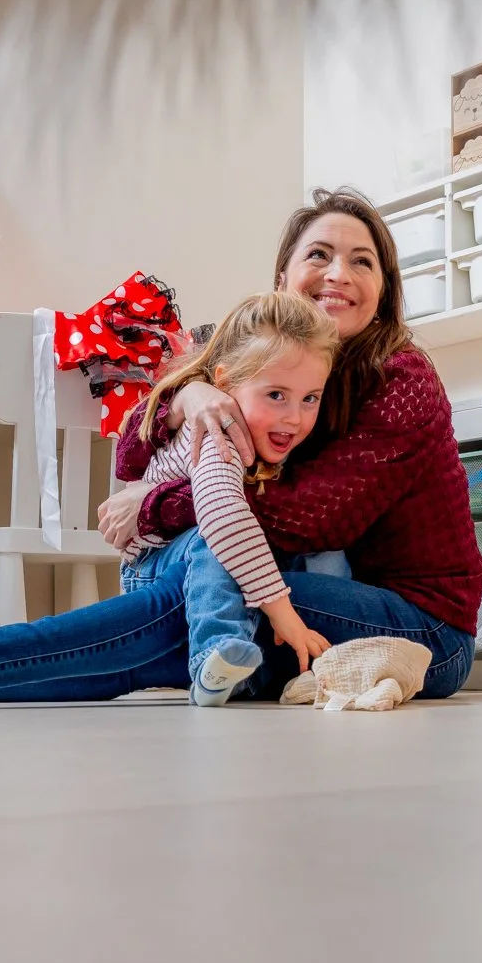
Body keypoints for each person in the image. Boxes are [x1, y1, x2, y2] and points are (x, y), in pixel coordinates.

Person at [0, 188, 482, 708]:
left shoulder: (402, 379)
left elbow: (312, 518)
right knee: (215, 594)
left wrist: (150, 510)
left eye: (362, 261)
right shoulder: (258, 355)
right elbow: (133, 436)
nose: (338, 274)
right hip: (319, 585)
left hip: (424, 626)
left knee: (210, 591)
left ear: (385, 289)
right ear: (283, 277)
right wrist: (186, 398)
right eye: (318, 255)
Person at [118, 291, 337, 705]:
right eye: (276, 395)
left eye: (310, 398)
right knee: (213, 539)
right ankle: (213, 659)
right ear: (225, 383)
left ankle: (311, 656)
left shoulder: (275, 432)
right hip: (152, 567)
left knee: (324, 546)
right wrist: (281, 612)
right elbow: (223, 517)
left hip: (192, 562)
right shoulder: (219, 435)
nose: (294, 416)